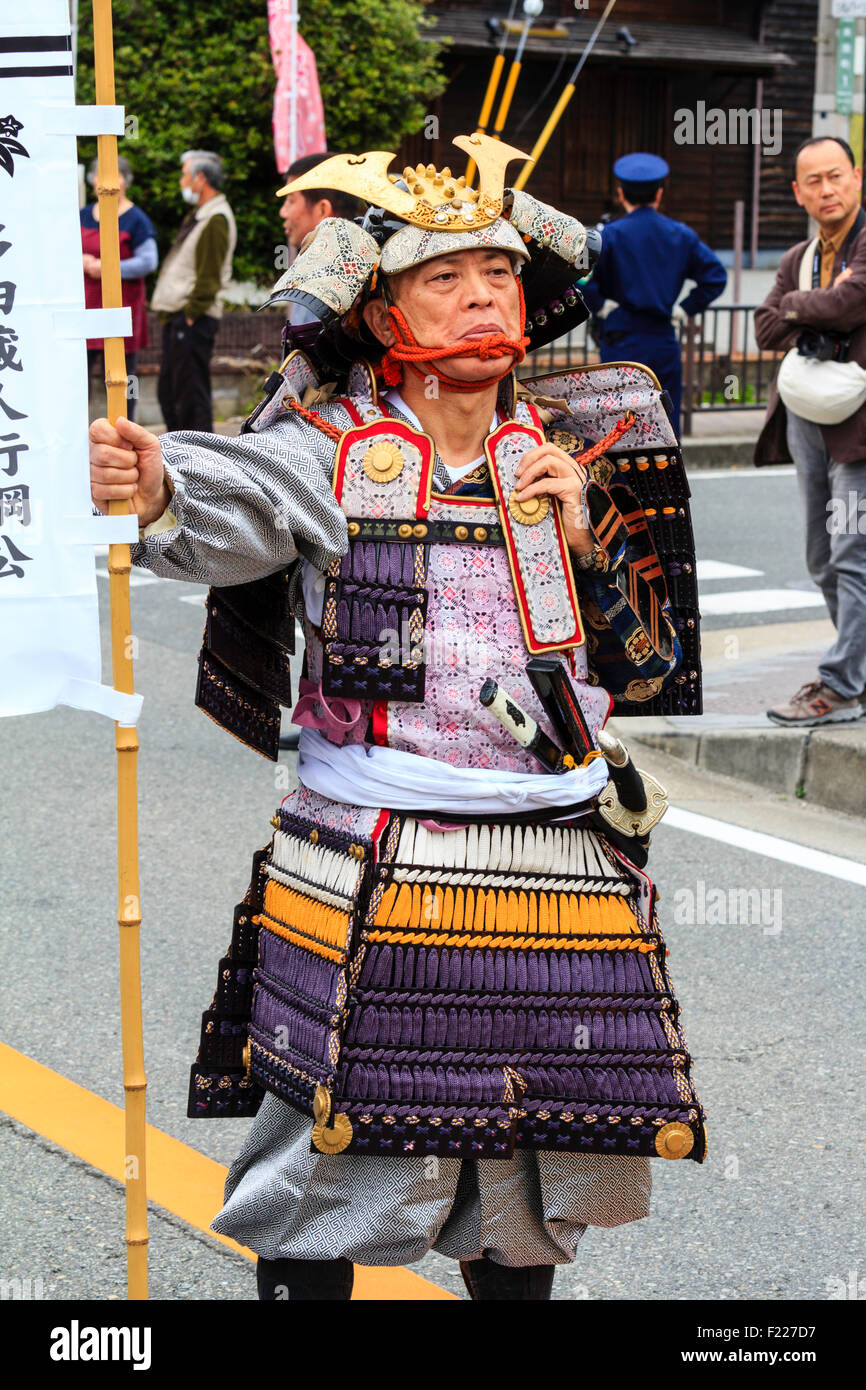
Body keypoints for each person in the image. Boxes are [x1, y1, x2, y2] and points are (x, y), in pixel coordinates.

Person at [89, 134, 706, 1302]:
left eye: (498, 274)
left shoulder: (579, 445)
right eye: (442, 277)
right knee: (334, 1150)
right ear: (380, 314)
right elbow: (230, 499)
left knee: (523, 1176)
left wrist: (584, 546)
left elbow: (647, 656)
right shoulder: (330, 447)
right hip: (379, 852)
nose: (481, 296)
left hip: (558, 851)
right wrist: (157, 480)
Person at [754, 135, 866, 727]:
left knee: (853, 552)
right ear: (798, 193)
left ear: (856, 178)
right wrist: (810, 305)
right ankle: (858, 675)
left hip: (858, 424)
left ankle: (842, 684)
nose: (826, 189)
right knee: (822, 557)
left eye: (836, 176)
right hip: (805, 417)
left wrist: (797, 307)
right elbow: (763, 328)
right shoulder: (796, 255)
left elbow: (853, 300)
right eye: (813, 182)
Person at [581, 152, 727, 437]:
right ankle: (668, 482)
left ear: (621, 193)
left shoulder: (607, 235)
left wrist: (601, 306)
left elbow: (580, 280)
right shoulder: (681, 234)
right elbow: (716, 277)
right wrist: (684, 308)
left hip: (620, 341)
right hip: (662, 339)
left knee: (618, 427)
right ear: (659, 194)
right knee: (665, 427)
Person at [150, 150, 237, 432]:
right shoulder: (204, 215)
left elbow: (209, 274)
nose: (181, 181)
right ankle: (182, 452)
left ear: (201, 179)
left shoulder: (216, 219)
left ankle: (199, 458)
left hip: (192, 318)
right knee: (172, 391)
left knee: (189, 394)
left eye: (185, 175)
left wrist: (191, 313)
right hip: (183, 317)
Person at [80, 155, 158, 422]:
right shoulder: (82, 215)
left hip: (121, 307)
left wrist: (108, 267)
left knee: (121, 376)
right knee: (79, 375)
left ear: (125, 181)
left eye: (113, 175)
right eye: (99, 175)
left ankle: (125, 427)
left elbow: (148, 261)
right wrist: (81, 261)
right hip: (86, 306)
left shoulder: (136, 219)